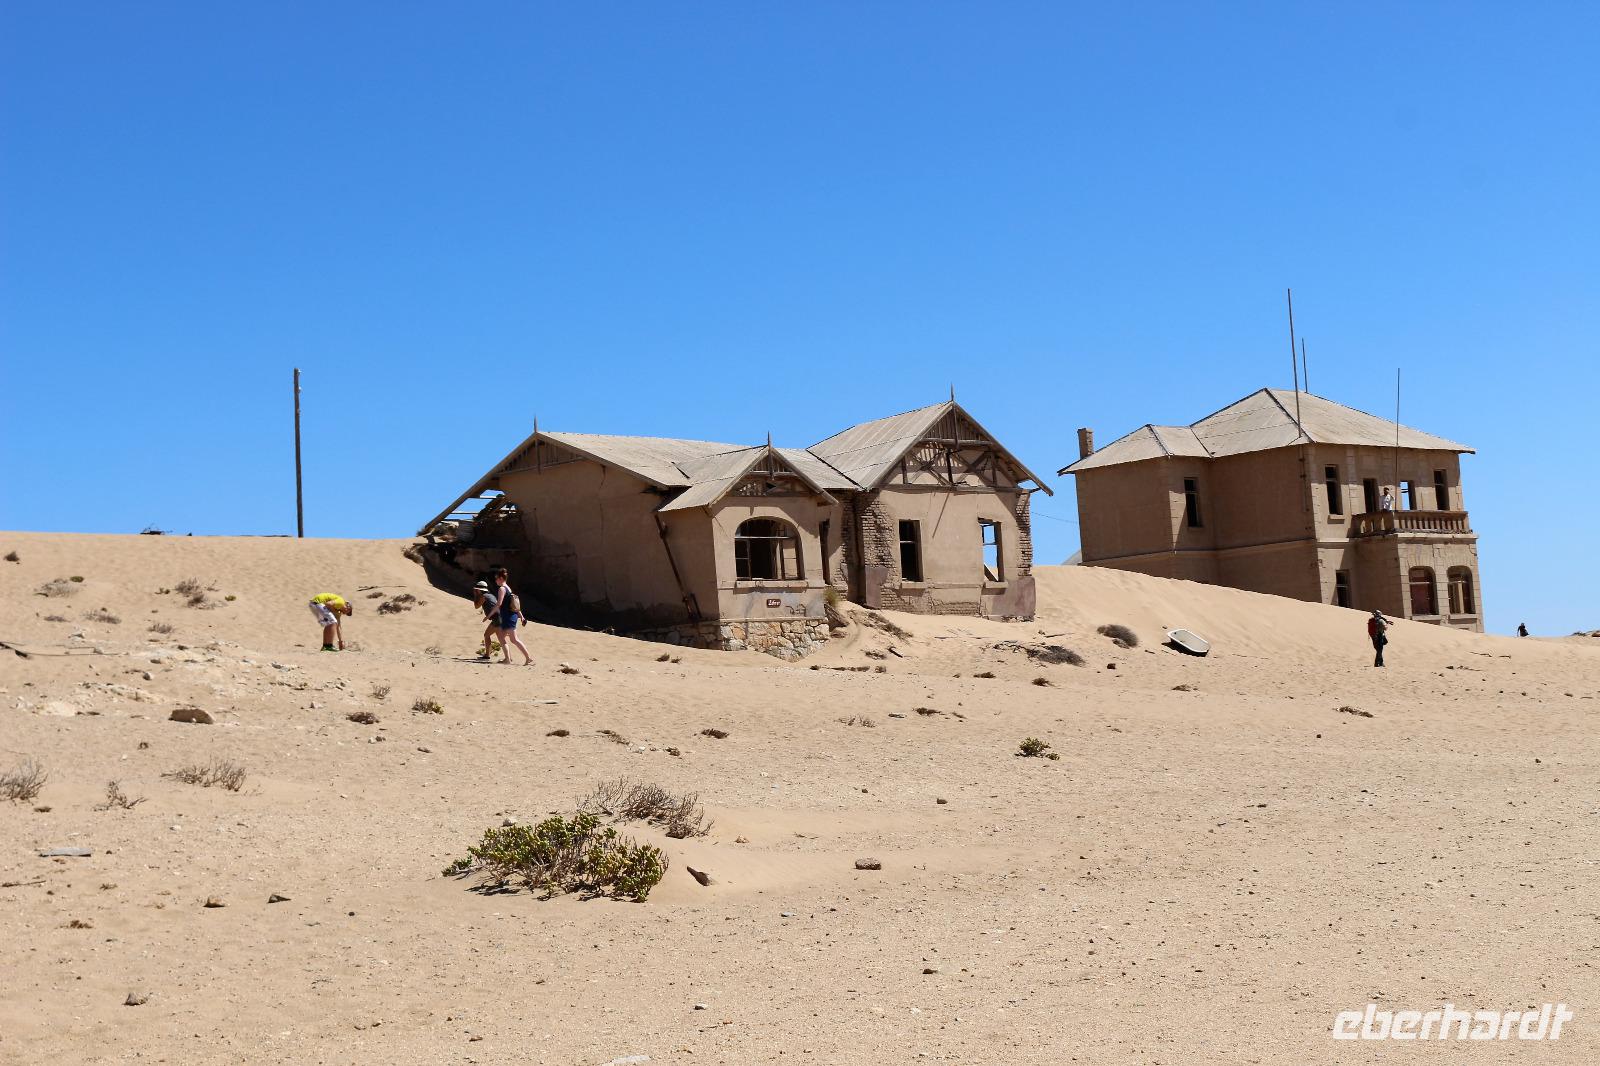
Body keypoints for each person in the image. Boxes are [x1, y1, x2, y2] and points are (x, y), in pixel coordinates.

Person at [492, 568, 532, 666]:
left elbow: (499, 603)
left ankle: (527, 658)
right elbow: (514, 604)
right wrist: (521, 616)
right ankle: (508, 659)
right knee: (502, 637)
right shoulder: (508, 588)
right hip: (510, 616)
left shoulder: (502, 588)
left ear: (501, 578)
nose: (495, 580)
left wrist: (491, 613)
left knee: (513, 639)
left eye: (496, 578)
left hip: (508, 617)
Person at [473, 579, 501, 659]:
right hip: (498, 618)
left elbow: (476, 606)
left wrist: (475, 595)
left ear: (479, 590)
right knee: (495, 637)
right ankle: (488, 655)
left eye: (476, 590)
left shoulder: (483, 597)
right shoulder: (491, 595)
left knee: (490, 636)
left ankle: (488, 655)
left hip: (497, 619)